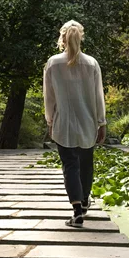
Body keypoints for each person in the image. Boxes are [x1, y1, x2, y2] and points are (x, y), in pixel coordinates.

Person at [43, 20, 107, 227]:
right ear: (81, 37)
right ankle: (85, 199)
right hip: (88, 122)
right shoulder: (91, 63)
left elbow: (49, 97)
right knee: (86, 165)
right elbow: (99, 96)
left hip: (64, 123)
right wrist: (102, 122)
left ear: (62, 38)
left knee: (70, 166)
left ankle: (78, 210)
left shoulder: (53, 63)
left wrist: (50, 120)